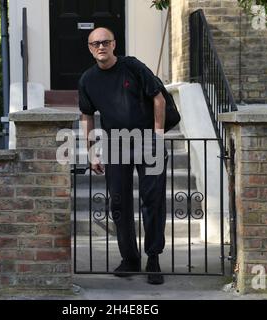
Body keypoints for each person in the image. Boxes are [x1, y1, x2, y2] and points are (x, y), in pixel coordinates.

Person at [78, 27, 168, 285]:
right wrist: (93, 152)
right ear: (90, 48)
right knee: (118, 203)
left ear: (114, 44)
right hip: (115, 144)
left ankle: (153, 258)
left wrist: (158, 137)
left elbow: (158, 99)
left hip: (147, 141)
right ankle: (130, 258)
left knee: (153, 201)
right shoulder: (87, 80)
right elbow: (87, 116)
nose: (101, 47)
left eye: (105, 42)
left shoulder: (133, 67)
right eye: (95, 43)